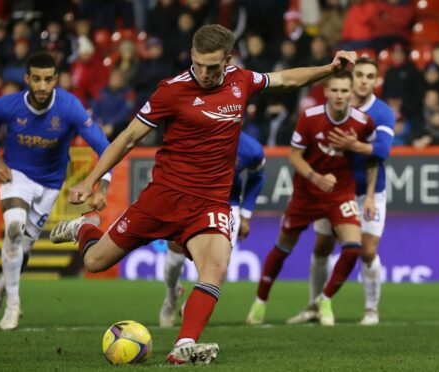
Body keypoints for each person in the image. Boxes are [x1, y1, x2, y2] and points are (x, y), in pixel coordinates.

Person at [49, 24, 356, 365]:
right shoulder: (171, 91)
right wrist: (91, 179)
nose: (207, 74)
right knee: (94, 261)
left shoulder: (241, 80)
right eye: (201, 64)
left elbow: (285, 79)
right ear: (192, 54)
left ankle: (184, 345)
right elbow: (127, 138)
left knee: (216, 268)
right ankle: (84, 228)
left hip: (210, 203)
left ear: (228, 59)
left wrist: (329, 69)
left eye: (215, 67)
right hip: (163, 197)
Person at [0, 51, 111, 331]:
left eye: (47, 80)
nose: (41, 86)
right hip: (17, 177)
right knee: (14, 228)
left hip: (50, 185)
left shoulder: (70, 107)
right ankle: (13, 305)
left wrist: (103, 188)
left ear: (56, 80)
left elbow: (105, 148)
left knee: (22, 250)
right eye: (36, 79)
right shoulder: (10, 105)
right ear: (27, 79)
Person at [246, 70, 378, 327]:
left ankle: (324, 300)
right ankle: (260, 302)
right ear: (326, 92)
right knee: (283, 247)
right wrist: (316, 177)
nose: (339, 96)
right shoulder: (309, 118)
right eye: (335, 90)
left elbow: (374, 158)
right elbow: (294, 156)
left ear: (351, 93)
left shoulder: (364, 122)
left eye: (344, 91)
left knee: (353, 248)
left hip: (340, 193)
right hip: (306, 193)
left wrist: (370, 191)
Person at [287, 57, 396, 326]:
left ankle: (371, 309)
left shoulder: (381, 113)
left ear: (375, 81)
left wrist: (355, 147)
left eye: (370, 77)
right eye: (360, 75)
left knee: (367, 251)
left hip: (367, 192)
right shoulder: (333, 107)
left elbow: (381, 153)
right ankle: (314, 305)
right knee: (322, 246)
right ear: (350, 78)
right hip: (334, 191)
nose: (364, 81)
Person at [159, 131, 266, 328]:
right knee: (174, 258)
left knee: (218, 266)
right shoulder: (194, 135)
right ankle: (171, 295)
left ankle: (192, 308)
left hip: (227, 203)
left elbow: (257, 175)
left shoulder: (251, 149)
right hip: (189, 197)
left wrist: (246, 215)